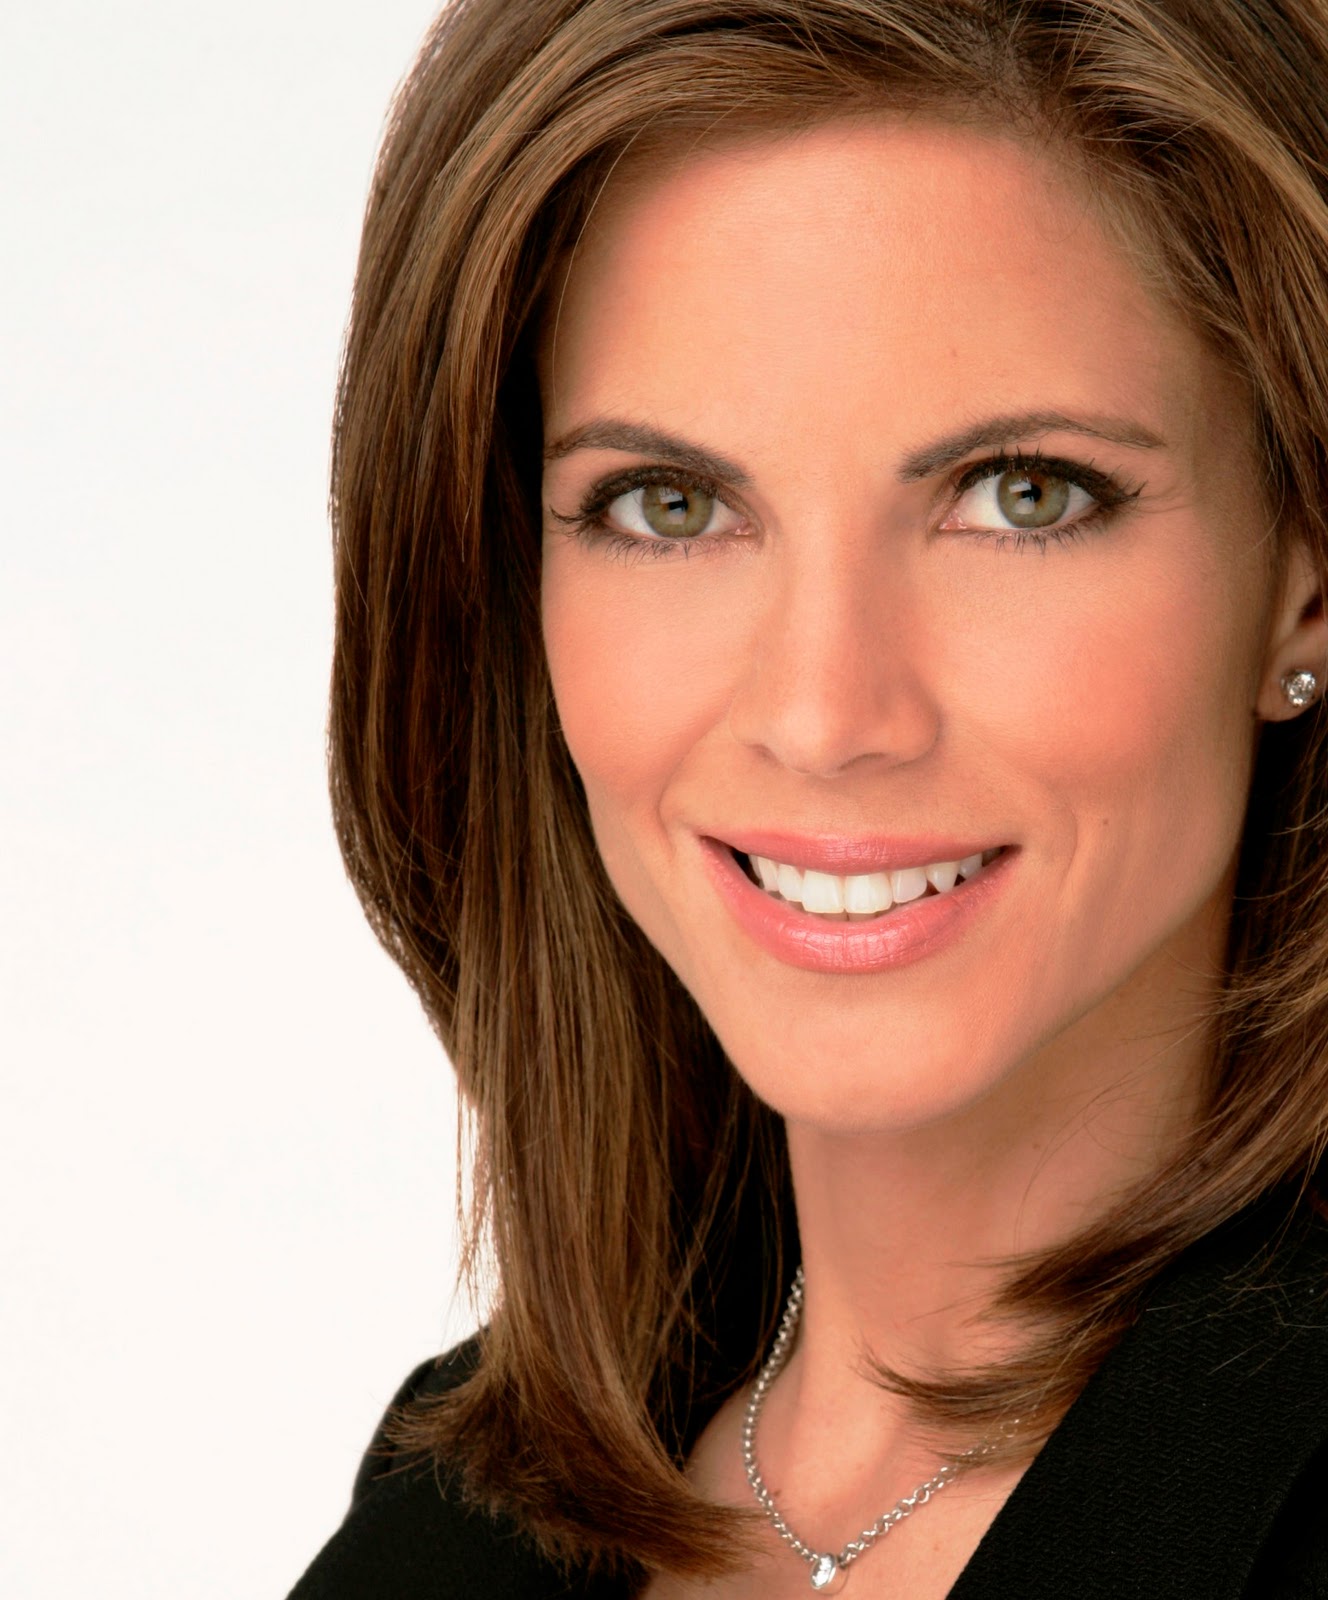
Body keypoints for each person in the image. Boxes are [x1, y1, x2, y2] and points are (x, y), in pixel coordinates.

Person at [289, 2, 1328, 1595]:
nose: (826, 715)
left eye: (1022, 495)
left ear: (1303, 583)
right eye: (670, 505)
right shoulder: (454, 1506)